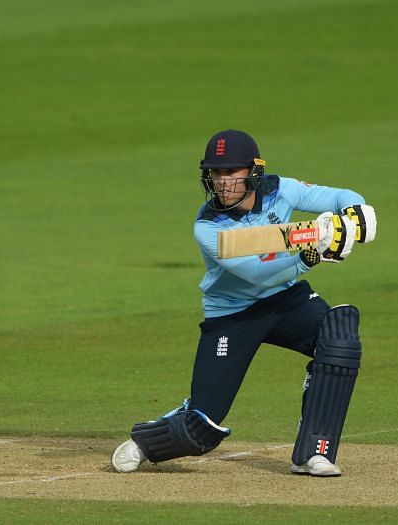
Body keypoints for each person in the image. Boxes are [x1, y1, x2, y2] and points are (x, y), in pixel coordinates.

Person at [111, 129, 377, 476]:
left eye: (231, 172)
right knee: (202, 429)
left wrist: (355, 215)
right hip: (232, 315)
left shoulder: (282, 189)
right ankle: (148, 440)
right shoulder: (208, 227)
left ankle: (315, 452)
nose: (222, 182)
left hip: (286, 301)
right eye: (216, 173)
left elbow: (340, 196)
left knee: (339, 337)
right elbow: (257, 275)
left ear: (253, 172)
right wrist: (311, 254)